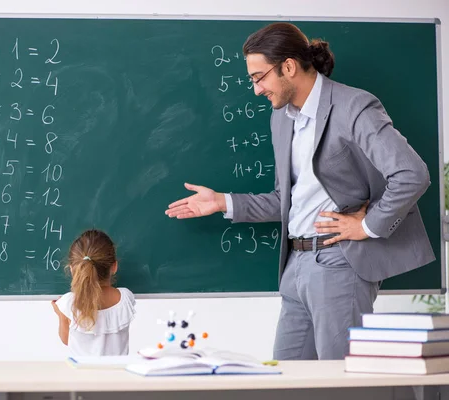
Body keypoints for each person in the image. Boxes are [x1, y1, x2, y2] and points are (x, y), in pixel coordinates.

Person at [165, 22, 435, 360]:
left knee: (342, 385)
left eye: (258, 77)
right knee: (287, 379)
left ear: (288, 67)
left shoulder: (354, 107)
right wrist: (221, 202)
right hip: (295, 266)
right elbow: (285, 201)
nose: (256, 89)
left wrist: (366, 226)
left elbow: (412, 174)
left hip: (339, 263)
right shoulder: (282, 119)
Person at [51, 229, 136, 356]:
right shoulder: (125, 298)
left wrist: (60, 314)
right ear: (114, 266)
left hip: (82, 375)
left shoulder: (68, 303)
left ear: (73, 270)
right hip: (117, 374)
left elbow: (66, 340)